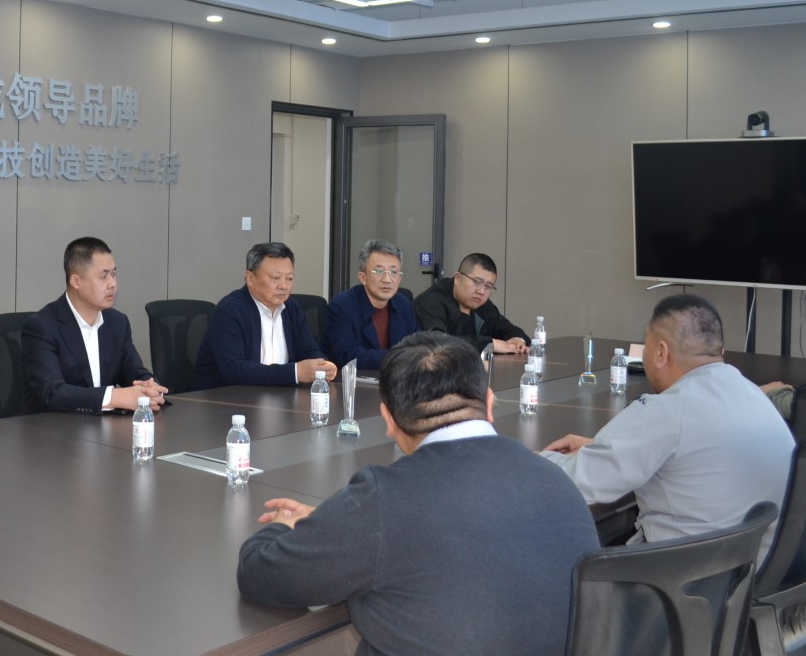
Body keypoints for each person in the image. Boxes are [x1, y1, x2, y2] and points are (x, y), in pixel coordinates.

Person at [237, 331, 598, 656]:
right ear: (489, 403)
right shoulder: (555, 477)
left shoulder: (383, 500)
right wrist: (332, 523)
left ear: (388, 419)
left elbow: (261, 576)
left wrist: (285, 526)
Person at [542, 293, 793, 566]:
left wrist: (528, 459)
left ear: (661, 353)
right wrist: (601, 446)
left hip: (687, 577)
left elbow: (576, 482)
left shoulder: (669, 408)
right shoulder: (751, 392)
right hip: (755, 568)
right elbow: (696, 446)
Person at [21, 236, 167, 414]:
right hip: (52, 427)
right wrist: (115, 397)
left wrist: (149, 387)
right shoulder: (42, 327)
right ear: (76, 281)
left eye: (113, 274)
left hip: (105, 427)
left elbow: (135, 373)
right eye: (103, 276)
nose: (112, 284)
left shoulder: (117, 323)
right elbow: (52, 392)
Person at [192, 242, 337, 389]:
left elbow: (308, 350)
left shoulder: (291, 308)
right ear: (250, 278)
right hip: (226, 398)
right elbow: (234, 370)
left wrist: (322, 365)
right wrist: (294, 372)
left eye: (289, 278)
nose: (283, 286)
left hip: (279, 397)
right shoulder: (230, 310)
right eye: (276, 278)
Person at [321, 238, 418, 369]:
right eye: (379, 271)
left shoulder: (403, 304)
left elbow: (417, 346)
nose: (387, 279)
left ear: (400, 277)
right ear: (363, 277)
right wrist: (397, 358)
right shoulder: (342, 307)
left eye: (393, 272)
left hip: (396, 378)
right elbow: (348, 355)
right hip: (354, 379)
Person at [413, 253, 529, 353]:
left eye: (488, 286)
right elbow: (438, 343)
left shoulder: (482, 305)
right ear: (458, 278)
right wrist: (490, 344)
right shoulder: (430, 302)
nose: (481, 291)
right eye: (476, 282)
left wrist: (518, 341)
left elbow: (507, 328)